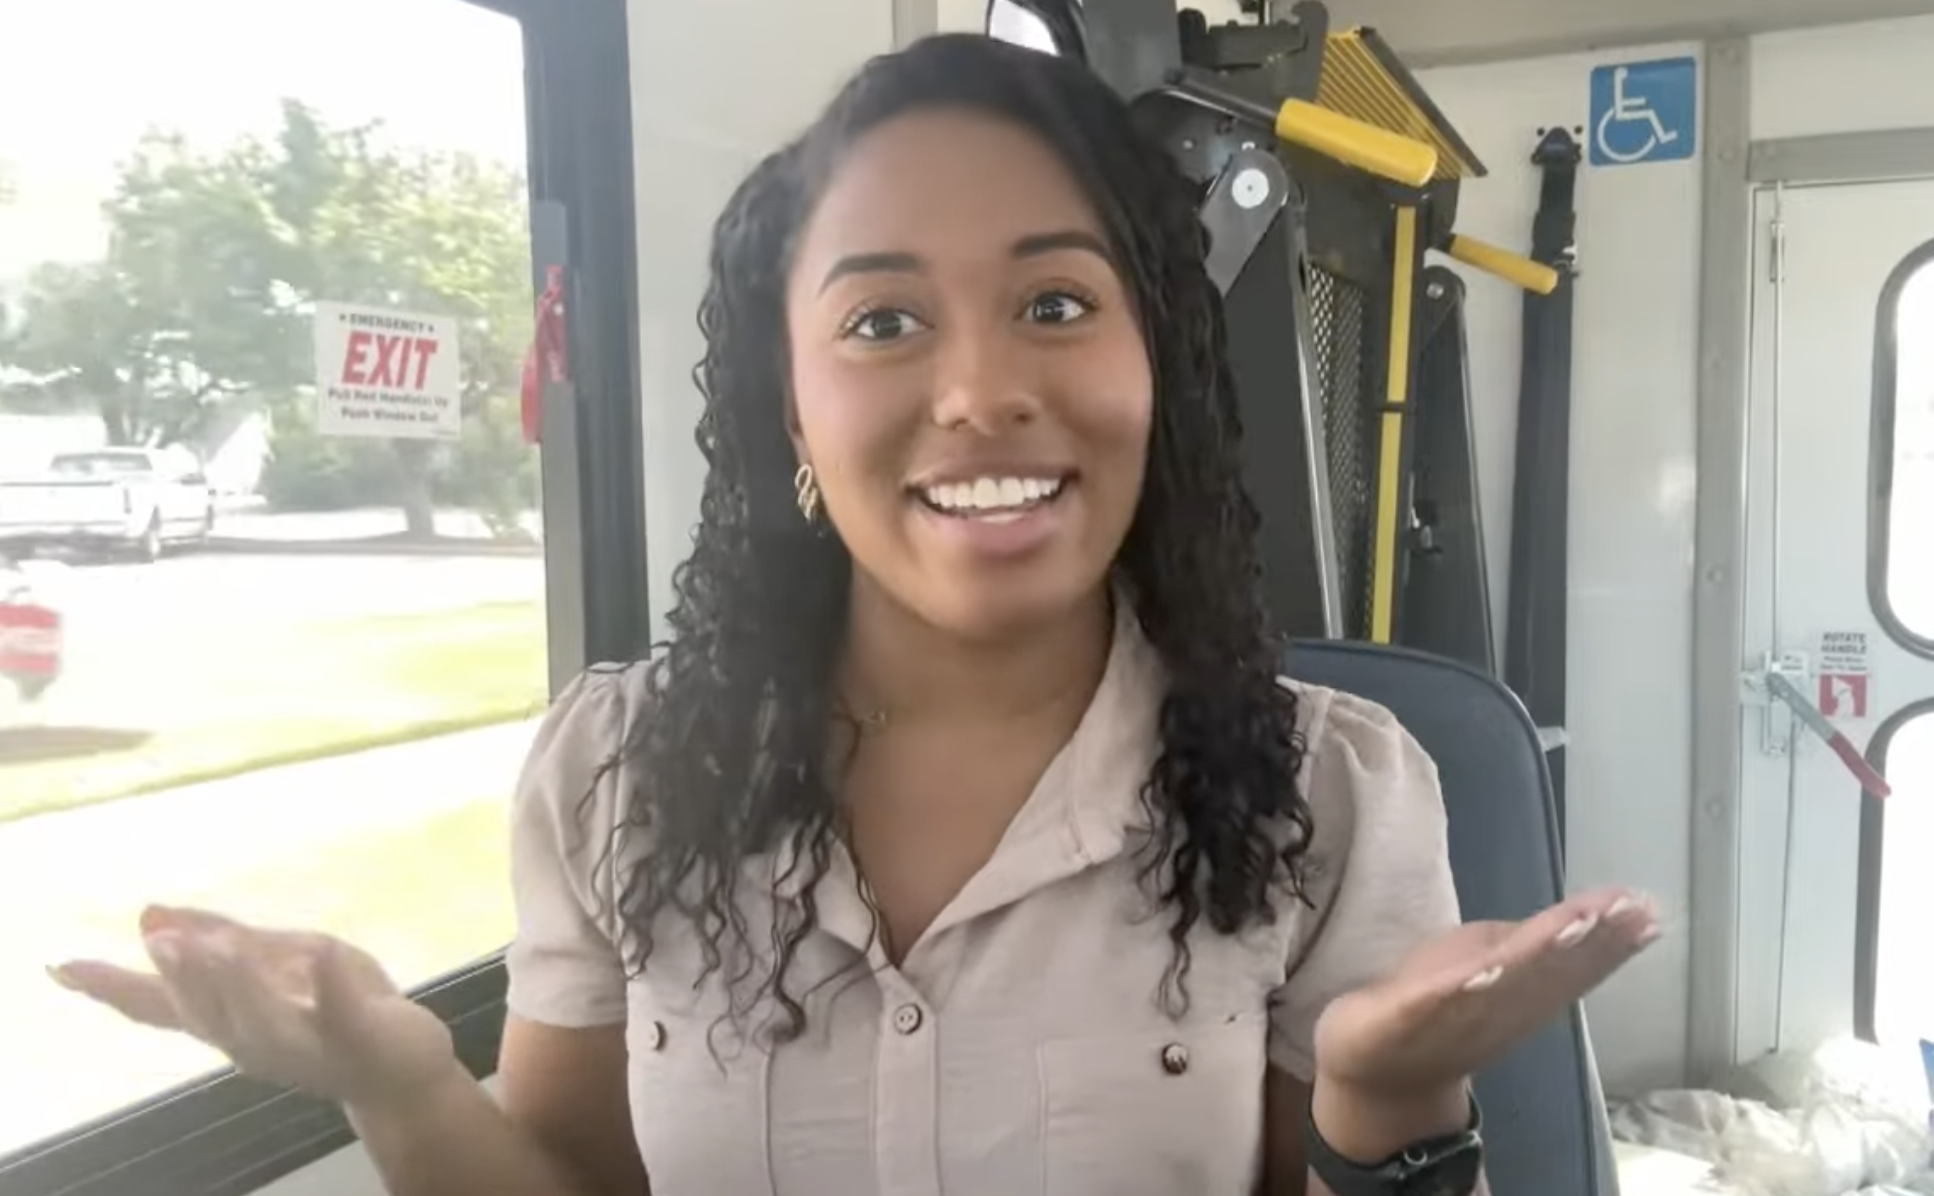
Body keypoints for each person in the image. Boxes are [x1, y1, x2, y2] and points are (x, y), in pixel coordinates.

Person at [51, 33, 1658, 1196]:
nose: (977, 392)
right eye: (882, 322)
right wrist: (394, 1078)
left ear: (1157, 369)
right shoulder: (614, 772)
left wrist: (1386, 1106)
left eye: (1054, 303)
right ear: (791, 409)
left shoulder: (1334, 793)